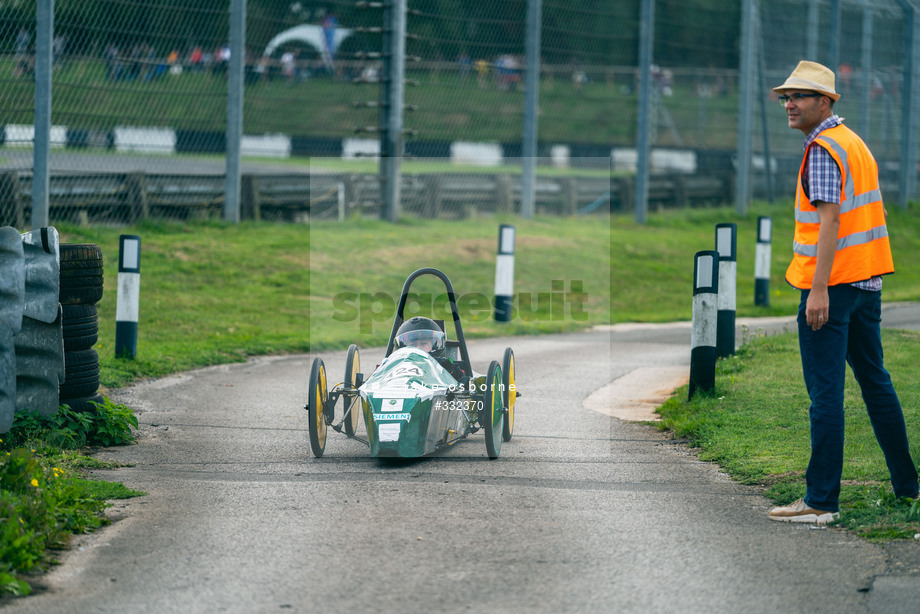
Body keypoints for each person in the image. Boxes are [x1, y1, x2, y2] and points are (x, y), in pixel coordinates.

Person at [768, 61, 919, 524]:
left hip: (831, 288)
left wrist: (817, 291)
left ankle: (820, 502)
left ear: (826, 102)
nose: (789, 105)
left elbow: (831, 222)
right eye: (785, 97)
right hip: (865, 283)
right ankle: (909, 487)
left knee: (826, 394)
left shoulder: (823, 149)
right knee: (875, 383)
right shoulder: (853, 143)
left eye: (800, 97)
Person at [394, 317, 468, 383]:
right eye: (412, 345)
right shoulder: (395, 364)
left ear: (435, 346)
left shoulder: (443, 365)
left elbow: (462, 381)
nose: (418, 348)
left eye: (423, 344)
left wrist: (449, 370)